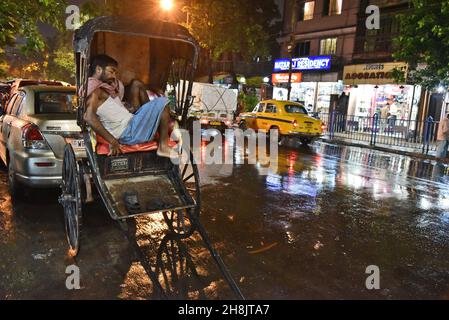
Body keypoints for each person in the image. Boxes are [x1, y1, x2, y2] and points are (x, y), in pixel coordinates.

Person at [84, 54, 173, 158]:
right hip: (129, 132)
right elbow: (88, 117)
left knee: (141, 87)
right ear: (98, 69)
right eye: (111, 71)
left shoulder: (102, 89)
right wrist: (112, 141)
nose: (114, 76)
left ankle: (157, 125)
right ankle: (163, 146)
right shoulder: (94, 92)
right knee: (163, 102)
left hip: (131, 124)